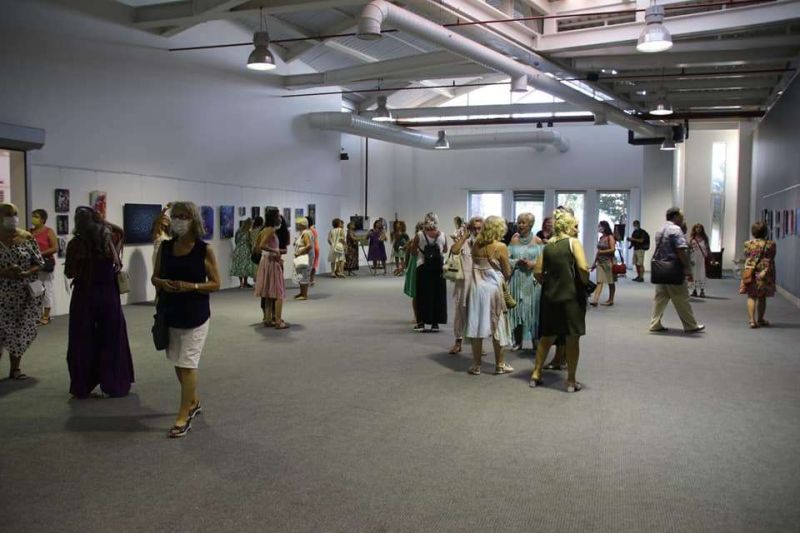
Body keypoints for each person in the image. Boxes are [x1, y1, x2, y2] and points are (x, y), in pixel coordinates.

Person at [152, 202, 221, 438]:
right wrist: (162, 283)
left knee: (188, 362)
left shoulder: (203, 250)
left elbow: (216, 283)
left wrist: (190, 286)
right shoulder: (166, 248)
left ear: (194, 220)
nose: (179, 220)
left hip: (196, 314)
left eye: (184, 216)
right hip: (171, 312)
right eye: (176, 216)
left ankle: (184, 414)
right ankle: (193, 400)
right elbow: (155, 277)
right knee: (178, 362)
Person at [65, 206, 134, 398]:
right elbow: (121, 231)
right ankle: (114, 384)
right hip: (108, 293)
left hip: (84, 294)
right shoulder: (109, 240)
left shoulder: (76, 244)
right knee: (112, 337)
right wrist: (103, 221)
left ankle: (82, 385)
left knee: (81, 338)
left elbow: (70, 272)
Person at [530, 209, 589, 392]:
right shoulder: (573, 242)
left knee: (547, 336)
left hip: (550, 296)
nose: (577, 230)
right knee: (572, 338)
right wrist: (584, 283)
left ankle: (536, 373)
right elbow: (583, 268)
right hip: (571, 297)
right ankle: (571, 381)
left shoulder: (548, 246)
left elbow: (537, 272)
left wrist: (550, 283)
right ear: (567, 226)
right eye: (575, 226)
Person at [464, 215, 513, 375]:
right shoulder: (501, 246)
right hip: (493, 290)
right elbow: (507, 272)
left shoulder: (476, 244)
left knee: (476, 324)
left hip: (476, 289)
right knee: (498, 324)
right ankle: (500, 364)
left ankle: (476, 365)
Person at [0, 203, 44, 380]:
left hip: (23, 294)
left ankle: (15, 368)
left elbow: (39, 262)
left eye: (15, 214)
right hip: (2, 294)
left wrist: (26, 272)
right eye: (8, 215)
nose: (13, 218)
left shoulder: (26, 237)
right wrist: (4, 272)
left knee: (19, 331)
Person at [649, 207, 705, 334]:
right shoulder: (675, 229)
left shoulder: (660, 229)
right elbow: (680, 250)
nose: (683, 219)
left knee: (660, 298)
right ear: (675, 216)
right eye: (681, 217)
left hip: (660, 268)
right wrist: (687, 268)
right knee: (682, 297)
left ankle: (654, 323)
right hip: (673, 269)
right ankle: (690, 325)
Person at [508, 213, 544, 351]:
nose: (520, 225)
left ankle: (536, 340)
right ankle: (518, 341)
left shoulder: (538, 241)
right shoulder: (514, 240)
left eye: (523, 222)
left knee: (533, 310)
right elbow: (506, 258)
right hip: (517, 279)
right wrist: (516, 261)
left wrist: (533, 264)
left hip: (533, 279)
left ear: (530, 224)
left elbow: (544, 260)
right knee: (517, 309)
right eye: (519, 222)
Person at [448, 216, 482, 354]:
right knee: (460, 313)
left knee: (478, 313)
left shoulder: (485, 243)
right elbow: (454, 250)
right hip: (463, 283)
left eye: (479, 228)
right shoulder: (464, 241)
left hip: (479, 283)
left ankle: (478, 344)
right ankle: (458, 341)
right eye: (474, 228)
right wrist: (463, 238)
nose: (477, 231)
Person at [414, 213, 447, 332]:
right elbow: (446, 250)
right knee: (438, 295)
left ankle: (421, 323)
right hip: (438, 268)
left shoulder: (419, 235)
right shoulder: (442, 235)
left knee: (422, 295)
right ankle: (435, 324)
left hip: (423, 267)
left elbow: (413, 251)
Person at [739, 221, 776, 328]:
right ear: (765, 231)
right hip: (764, 272)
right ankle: (760, 319)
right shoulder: (771, 244)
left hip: (751, 271)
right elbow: (771, 257)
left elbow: (747, 255)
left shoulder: (748, 244)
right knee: (762, 297)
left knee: (751, 296)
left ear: (753, 232)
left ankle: (752, 320)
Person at [254, 209, 287, 328]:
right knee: (278, 292)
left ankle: (268, 319)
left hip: (265, 262)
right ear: (274, 217)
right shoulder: (271, 230)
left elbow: (257, 247)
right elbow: (262, 245)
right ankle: (278, 321)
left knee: (268, 292)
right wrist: (275, 251)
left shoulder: (264, 230)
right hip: (272, 263)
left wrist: (274, 251)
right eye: (278, 216)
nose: (280, 218)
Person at [31, 208, 57, 325]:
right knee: (36, 290)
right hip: (33, 265)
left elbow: (55, 248)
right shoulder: (30, 232)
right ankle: (37, 314)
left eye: (36, 217)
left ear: (42, 219)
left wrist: (40, 253)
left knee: (47, 290)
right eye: (33, 216)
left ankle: (46, 315)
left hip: (46, 264)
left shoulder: (49, 231)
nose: (33, 219)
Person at [591, 220, 617, 307]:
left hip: (609, 262)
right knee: (599, 281)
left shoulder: (610, 237)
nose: (598, 228)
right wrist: (594, 263)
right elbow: (598, 252)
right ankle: (595, 300)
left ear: (604, 227)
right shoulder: (601, 238)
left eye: (600, 226)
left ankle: (611, 299)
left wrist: (602, 252)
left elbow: (613, 249)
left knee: (610, 281)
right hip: (600, 262)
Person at [403, 221, 424, 326]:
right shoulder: (412, 242)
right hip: (414, 268)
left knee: (421, 294)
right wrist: (406, 268)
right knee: (415, 294)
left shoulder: (426, 240)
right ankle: (416, 316)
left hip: (421, 267)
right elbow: (407, 255)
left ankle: (421, 315)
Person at [293, 217, 314, 300]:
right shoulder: (304, 232)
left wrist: (300, 252)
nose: (296, 226)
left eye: (297, 224)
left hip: (305, 257)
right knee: (301, 275)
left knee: (304, 275)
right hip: (303, 256)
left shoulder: (305, 233)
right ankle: (302, 293)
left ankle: (304, 294)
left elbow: (309, 245)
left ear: (302, 225)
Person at [230, 218, 254, 288]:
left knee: (239, 266)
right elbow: (250, 242)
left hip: (238, 249)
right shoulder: (248, 232)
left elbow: (236, 240)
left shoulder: (238, 231)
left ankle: (241, 283)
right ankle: (245, 282)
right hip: (246, 249)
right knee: (246, 266)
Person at [688, 223, 710, 298]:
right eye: (697, 227)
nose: (698, 229)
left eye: (700, 228)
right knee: (694, 273)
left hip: (701, 258)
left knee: (701, 273)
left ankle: (702, 290)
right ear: (694, 229)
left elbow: (707, 248)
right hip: (694, 258)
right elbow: (689, 249)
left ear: (702, 229)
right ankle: (694, 290)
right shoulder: (692, 239)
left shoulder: (705, 238)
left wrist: (711, 257)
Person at [151, 204, 172, 269]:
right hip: (158, 256)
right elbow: (158, 221)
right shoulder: (157, 233)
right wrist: (164, 210)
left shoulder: (167, 234)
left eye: (167, 219)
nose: (166, 220)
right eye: (164, 218)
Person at [308, 216, 320, 286]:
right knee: (314, 265)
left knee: (308, 265)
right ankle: (312, 279)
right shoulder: (313, 230)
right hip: (316, 247)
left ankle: (306, 279)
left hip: (311, 248)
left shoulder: (308, 231)